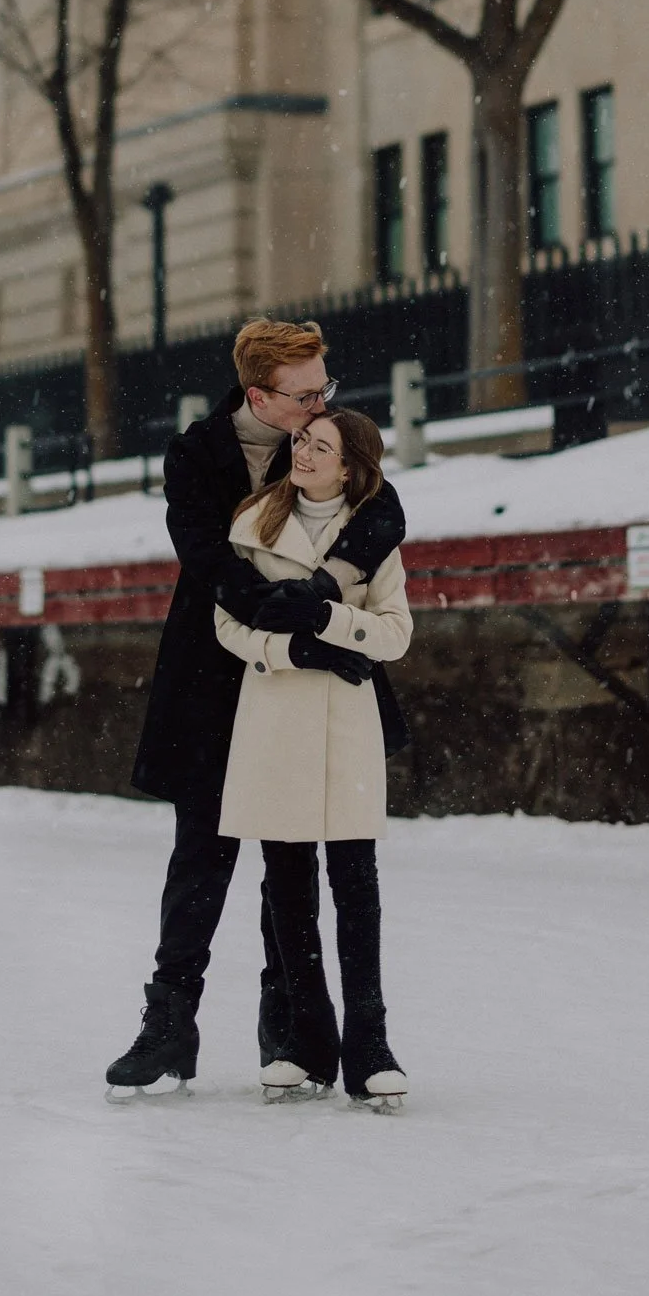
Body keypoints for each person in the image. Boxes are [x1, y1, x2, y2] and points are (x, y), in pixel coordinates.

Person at [105, 319, 408, 1097]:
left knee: (291, 854)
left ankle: (292, 1029)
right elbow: (206, 559)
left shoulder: (319, 442)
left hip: (308, 673)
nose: (320, 408)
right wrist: (289, 620)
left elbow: (385, 514)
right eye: (306, 396)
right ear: (259, 397)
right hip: (217, 670)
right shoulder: (194, 454)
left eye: (323, 391)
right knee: (201, 853)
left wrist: (321, 595)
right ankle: (168, 1019)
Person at [215, 406, 412, 1110]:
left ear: (349, 466)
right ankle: (304, 1039)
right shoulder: (254, 523)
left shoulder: (370, 537)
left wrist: (328, 618)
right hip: (273, 718)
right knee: (286, 887)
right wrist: (289, 648)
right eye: (301, 439)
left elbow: (396, 634)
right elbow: (227, 622)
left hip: (344, 725)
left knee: (356, 886)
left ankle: (370, 1042)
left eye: (318, 445)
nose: (301, 451)